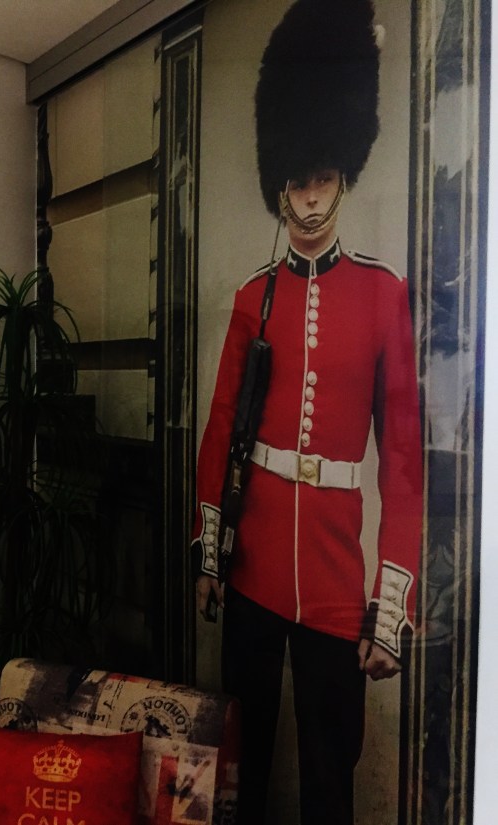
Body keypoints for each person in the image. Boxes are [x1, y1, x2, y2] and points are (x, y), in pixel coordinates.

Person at [190, 2, 423, 824]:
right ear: (278, 183)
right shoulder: (252, 296)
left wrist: (388, 606)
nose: (311, 195)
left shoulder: (383, 294)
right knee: (242, 769)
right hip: (253, 569)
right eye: (296, 179)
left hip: (332, 580)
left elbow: (402, 462)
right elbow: (222, 429)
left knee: (330, 776)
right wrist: (212, 553)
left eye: (322, 176)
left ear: (344, 175)